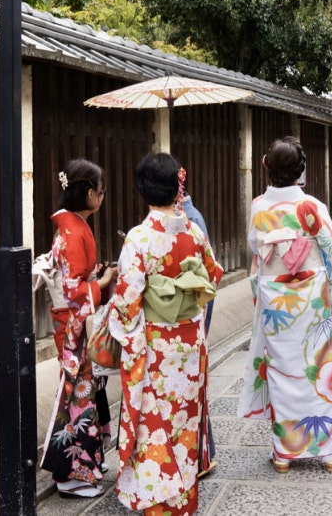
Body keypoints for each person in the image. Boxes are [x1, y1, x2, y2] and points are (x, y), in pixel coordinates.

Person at [109, 152, 223, 515]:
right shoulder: (193, 231)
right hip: (189, 345)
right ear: (178, 187)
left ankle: (158, 507)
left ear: (143, 190)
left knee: (154, 427)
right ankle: (184, 505)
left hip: (155, 348)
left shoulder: (139, 239)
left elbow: (126, 302)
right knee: (184, 428)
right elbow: (213, 275)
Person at [238, 136, 332, 474]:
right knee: (319, 369)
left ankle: (284, 453)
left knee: (283, 371)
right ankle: (329, 452)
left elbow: (256, 252)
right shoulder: (312, 207)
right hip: (312, 301)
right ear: (301, 171)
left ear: (266, 167)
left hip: (276, 303)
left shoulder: (260, 207)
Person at [40, 159, 117, 498]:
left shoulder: (73, 226)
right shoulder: (71, 233)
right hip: (72, 324)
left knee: (87, 390)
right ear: (89, 193)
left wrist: (95, 277)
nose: (102, 197)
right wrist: (103, 281)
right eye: (100, 191)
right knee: (78, 393)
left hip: (75, 322)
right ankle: (71, 475)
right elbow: (73, 294)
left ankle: (86, 466)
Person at [179, 183, 217, 477]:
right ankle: (201, 456)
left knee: (187, 392)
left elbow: (209, 274)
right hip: (184, 321)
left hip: (180, 322)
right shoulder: (189, 220)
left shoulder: (188, 223)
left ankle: (196, 458)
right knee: (191, 390)